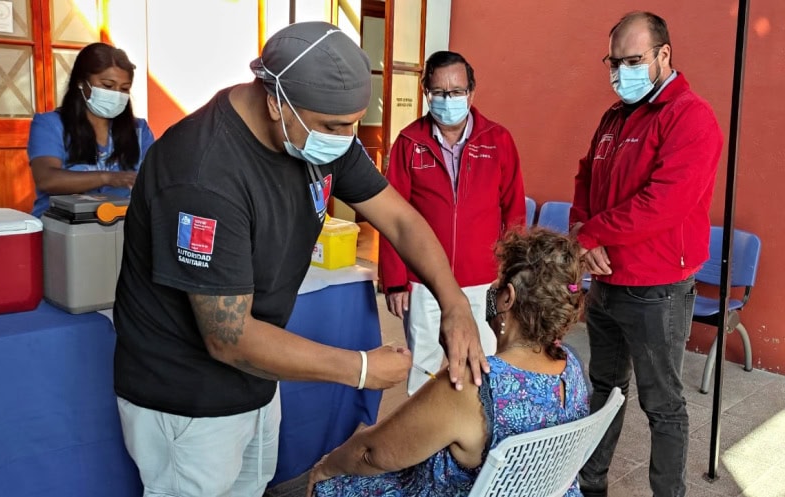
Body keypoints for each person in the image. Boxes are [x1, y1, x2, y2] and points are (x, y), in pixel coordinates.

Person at [112, 22, 488, 497]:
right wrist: (362, 369)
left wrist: (454, 303)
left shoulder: (315, 130)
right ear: (276, 102)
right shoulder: (203, 172)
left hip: (254, 380)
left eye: (353, 122)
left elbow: (401, 221)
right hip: (186, 397)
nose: (346, 137)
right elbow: (229, 337)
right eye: (334, 126)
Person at [308, 227, 590, 497]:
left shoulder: (474, 384)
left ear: (507, 298)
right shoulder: (572, 365)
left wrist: (325, 468)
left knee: (334, 480)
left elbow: (371, 454)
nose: (492, 288)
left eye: (498, 281)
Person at [570, 12, 723, 497]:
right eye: (614, 62)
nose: (621, 72)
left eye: (633, 61)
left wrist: (593, 234)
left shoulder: (690, 117)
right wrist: (581, 231)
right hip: (606, 283)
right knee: (604, 391)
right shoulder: (615, 117)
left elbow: (664, 202)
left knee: (662, 405)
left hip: (656, 290)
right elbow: (586, 178)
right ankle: (591, 485)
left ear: (664, 55)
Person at [379, 50, 526, 395]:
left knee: (485, 360)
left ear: (471, 92)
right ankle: (425, 425)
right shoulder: (409, 143)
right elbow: (390, 214)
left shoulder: (498, 141)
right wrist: (395, 282)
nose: (449, 100)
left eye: (457, 91)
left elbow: (514, 211)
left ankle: (479, 424)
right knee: (424, 367)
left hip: (486, 281)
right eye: (439, 92)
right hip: (423, 281)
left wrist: (512, 274)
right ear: (426, 93)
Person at [27, 42, 154, 218]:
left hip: (122, 225)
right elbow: (47, 179)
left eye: (124, 88)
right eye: (107, 85)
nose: (117, 94)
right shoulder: (50, 124)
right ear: (81, 82)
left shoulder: (139, 130)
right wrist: (108, 178)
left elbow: (157, 178)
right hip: (61, 226)